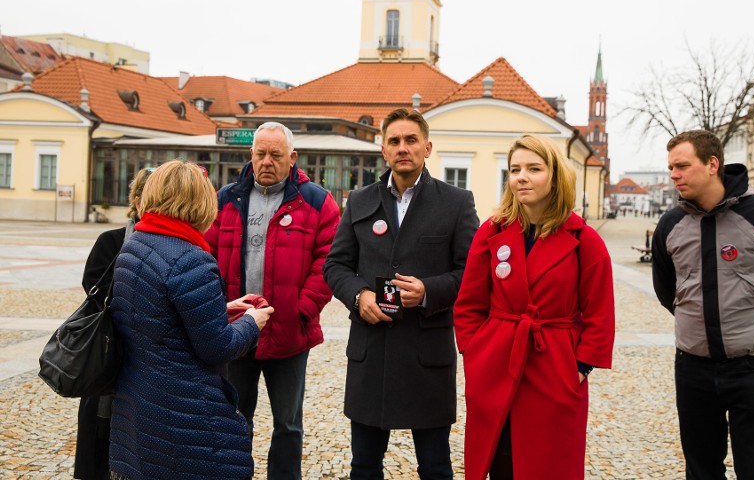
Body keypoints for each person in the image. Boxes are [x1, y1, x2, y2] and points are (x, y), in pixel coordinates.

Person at [323, 108, 479, 480]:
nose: (402, 148)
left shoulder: (456, 203)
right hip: (371, 351)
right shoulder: (359, 201)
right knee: (363, 466)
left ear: (427, 148)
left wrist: (428, 291)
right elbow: (335, 266)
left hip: (426, 357)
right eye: (394, 141)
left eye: (411, 140)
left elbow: (471, 273)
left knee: (436, 467)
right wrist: (359, 294)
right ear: (383, 149)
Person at [454, 133, 615, 480]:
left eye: (533, 168)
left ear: (555, 176)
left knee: (547, 461)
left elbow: (600, 313)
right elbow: (468, 303)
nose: (521, 177)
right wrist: (474, 352)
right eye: (514, 170)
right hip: (496, 359)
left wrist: (580, 368)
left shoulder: (584, 240)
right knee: (497, 458)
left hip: (554, 363)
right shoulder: (492, 232)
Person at [651, 130, 754, 480]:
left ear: (712, 164)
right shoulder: (671, 224)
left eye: (682, 166)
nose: (674, 175)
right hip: (693, 369)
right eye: (670, 167)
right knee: (702, 469)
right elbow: (666, 290)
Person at [108, 160, 274, 480]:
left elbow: (157, 314)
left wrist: (220, 309)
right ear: (201, 203)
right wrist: (251, 322)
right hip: (185, 415)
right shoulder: (190, 259)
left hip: (139, 404)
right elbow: (217, 347)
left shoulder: (136, 245)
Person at [204, 121, 340, 480]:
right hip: (236, 332)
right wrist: (221, 308)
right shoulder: (226, 199)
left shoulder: (317, 203)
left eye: (276, 155)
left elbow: (328, 262)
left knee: (288, 425)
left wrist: (302, 311)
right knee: (234, 417)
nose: (266, 161)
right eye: (260, 153)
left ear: (292, 158)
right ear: (251, 154)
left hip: (289, 333)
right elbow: (207, 256)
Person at [74, 168, 150, 480]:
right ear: (137, 200)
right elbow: (94, 289)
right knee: (100, 437)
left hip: (147, 364)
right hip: (107, 357)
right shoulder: (111, 241)